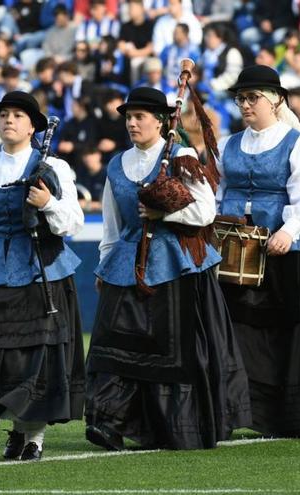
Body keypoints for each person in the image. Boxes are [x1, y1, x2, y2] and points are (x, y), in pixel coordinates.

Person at [85, 86, 250, 451]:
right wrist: (104, 264)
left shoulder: (182, 155)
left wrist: (165, 212)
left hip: (176, 263)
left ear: (161, 122)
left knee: (171, 349)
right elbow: (113, 223)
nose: (132, 123)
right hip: (125, 264)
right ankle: (109, 420)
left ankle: (176, 426)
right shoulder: (116, 165)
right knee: (114, 345)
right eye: (128, 117)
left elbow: (205, 211)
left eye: (139, 117)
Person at [217, 65, 300, 437]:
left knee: (290, 329)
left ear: (276, 100)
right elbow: (219, 192)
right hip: (239, 251)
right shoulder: (228, 145)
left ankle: (292, 416)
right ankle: (240, 409)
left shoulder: (297, 143)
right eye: (241, 98)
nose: (245, 104)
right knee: (237, 329)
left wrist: (289, 230)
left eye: (252, 97)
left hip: (289, 250)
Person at [0, 91, 85, 461]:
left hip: (42, 269)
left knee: (36, 355)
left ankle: (33, 436)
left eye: (18, 116)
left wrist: (48, 204)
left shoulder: (54, 167)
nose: (9, 120)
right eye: (4, 115)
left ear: (32, 127)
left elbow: (72, 221)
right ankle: (15, 429)